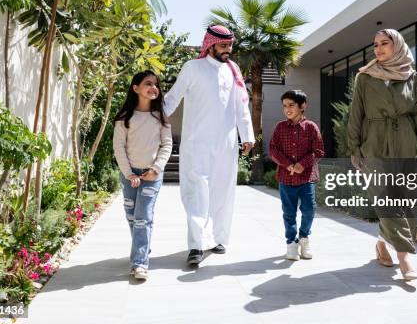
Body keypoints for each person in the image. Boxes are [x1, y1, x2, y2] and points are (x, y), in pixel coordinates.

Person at [347, 29, 417, 281]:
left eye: (384, 43)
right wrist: (354, 148)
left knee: (406, 199)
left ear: (397, 46)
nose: (378, 49)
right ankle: (405, 256)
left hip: (407, 143)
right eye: (375, 45)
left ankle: (382, 244)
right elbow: (356, 115)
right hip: (374, 144)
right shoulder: (365, 77)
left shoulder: (412, 76)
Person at [163, 25, 255, 266]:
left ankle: (217, 239)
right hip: (197, 144)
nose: (228, 50)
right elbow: (173, 98)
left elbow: (241, 105)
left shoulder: (233, 70)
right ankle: (196, 245)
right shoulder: (192, 68)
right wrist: (153, 121)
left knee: (223, 192)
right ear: (210, 44)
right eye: (224, 46)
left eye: (231, 46)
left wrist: (247, 135)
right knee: (196, 194)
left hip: (226, 144)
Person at [113, 70, 173, 280]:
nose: (154, 87)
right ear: (135, 88)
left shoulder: (161, 118)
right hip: (129, 175)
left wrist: (156, 169)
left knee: (143, 218)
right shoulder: (124, 118)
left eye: (156, 84)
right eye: (148, 83)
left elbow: (167, 145)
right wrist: (129, 174)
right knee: (132, 216)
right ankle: (142, 249)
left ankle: (139, 263)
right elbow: (119, 147)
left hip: (152, 175)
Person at [269, 90, 324, 261]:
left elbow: (319, 151)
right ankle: (291, 244)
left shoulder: (311, 127)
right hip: (286, 179)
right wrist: (289, 165)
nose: (287, 109)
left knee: (309, 210)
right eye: (285, 106)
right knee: (289, 212)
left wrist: (302, 164)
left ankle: (304, 238)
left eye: (291, 105)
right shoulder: (280, 127)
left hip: (307, 178)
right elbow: (273, 150)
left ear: (303, 106)